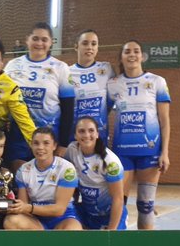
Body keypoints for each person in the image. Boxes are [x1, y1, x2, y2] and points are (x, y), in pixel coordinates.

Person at [107, 39, 171, 230]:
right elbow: (102, 114)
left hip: (149, 151)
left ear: (142, 56)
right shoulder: (113, 84)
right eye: (127, 52)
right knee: (119, 203)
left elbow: (165, 121)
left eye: (136, 51)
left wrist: (165, 152)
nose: (132, 55)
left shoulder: (157, 82)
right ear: (121, 57)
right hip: (122, 152)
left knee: (146, 205)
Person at [4, 22, 76, 171]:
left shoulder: (60, 68)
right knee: (21, 183)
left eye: (44, 40)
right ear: (27, 40)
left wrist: (63, 144)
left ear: (50, 42)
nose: (39, 43)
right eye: (35, 38)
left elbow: (68, 110)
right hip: (19, 137)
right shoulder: (12, 65)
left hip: (48, 139)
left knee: (46, 185)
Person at [6, 127, 83, 230]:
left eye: (46, 143)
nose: (40, 147)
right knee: (11, 221)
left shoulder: (66, 168)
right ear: (31, 145)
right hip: (36, 219)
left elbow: (59, 209)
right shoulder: (23, 170)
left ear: (54, 146)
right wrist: (15, 207)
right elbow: (23, 206)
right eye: (36, 143)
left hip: (63, 217)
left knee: (73, 229)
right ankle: (42, 241)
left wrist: (29, 207)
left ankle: (46, 240)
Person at [65, 117, 127, 230]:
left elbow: (118, 198)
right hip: (86, 213)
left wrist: (111, 230)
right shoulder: (72, 150)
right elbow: (71, 184)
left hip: (109, 215)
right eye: (81, 131)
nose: (86, 135)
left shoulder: (111, 162)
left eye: (91, 130)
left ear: (97, 134)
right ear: (75, 135)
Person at [69, 29, 115, 142]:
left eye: (94, 44)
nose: (90, 47)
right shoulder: (67, 72)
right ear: (76, 46)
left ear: (97, 47)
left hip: (99, 134)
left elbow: (110, 101)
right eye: (85, 43)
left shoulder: (107, 69)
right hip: (75, 135)